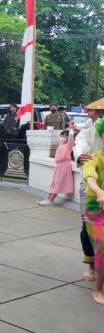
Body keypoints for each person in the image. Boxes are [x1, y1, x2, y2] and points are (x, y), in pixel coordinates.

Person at [74, 98, 104, 282]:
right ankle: (92, 266)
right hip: (92, 188)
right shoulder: (86, 134)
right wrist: (81, 157)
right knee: (89, 226)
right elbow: (81, 151)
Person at [81, 118, 104, 305]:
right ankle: (98, 290)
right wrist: (98, 191)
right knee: (102, 247)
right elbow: (90, 177)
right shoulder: (94, 158)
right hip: (96, 206)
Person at [40, 130, 75, 207]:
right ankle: (48, 199)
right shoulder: (61, 144)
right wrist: (67, 129)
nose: (62, 137)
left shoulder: (69, 145)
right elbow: (59, 134)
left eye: (64, 136)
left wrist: (71, 129)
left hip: (64, 165)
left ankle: (51, 201)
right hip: (58, 165)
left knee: (58, 183)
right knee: (54, 182)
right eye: (61, 136)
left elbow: (71, 137)